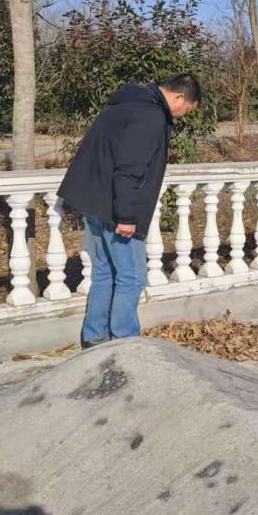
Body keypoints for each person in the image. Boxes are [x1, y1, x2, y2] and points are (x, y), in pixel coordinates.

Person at [58, 74, 201, 348]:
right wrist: (126, 216)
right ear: (179, 97)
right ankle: (125, 342)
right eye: (187, 109)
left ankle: (95, 337)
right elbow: (129, 170)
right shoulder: (151, 116)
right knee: (132, 277)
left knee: (104, 272)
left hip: (95, 202)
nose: (183, 115)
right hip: (116, 209)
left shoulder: (124, 104)